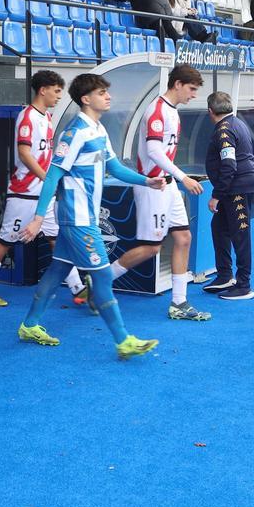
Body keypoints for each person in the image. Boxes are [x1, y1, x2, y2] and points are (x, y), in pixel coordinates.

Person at [17, 73, 165, 359]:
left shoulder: (98, 130)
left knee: (57, 270)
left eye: (107, 92)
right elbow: (52, 177)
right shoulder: (75, 133)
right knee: (102, 278)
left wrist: (147, 181)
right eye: (101, 92)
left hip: (84, 218)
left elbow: (116, 169)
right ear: (86, 99)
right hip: (77, 219)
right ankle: (123, 341)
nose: (108, 96)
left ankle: (29, 325)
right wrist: (38, 218)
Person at [103, 66, 210, 320]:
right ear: (177, 84)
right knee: (151, 248)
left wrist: (177, 177)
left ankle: (179, 303)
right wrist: (184, 176)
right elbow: (153, 151)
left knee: (184, 237)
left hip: (168, 184)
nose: (193, 95)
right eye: (191, 89)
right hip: (153, 185)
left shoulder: (172, 111)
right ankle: (98, 281)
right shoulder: (157, 111)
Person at [0, 71, 71, 307]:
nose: (59, 96)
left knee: (55, 238)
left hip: (43, 193)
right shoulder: (27, 117)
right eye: (56, 91)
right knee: (6, 241)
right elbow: (24, 153)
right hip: (24, 192)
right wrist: (46, 177)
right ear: (43, 90)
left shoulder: (47, 117)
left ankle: (80, 289)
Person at [203, 91, 254, 300]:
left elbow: (229, 165)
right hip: (237, 186)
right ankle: (225, 275)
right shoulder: (236, 123)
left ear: (210, 111)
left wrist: (216, 195)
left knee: (240, 235)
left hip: (236, 188)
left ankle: (244, 284)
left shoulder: (224, 131)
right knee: (219, 228)